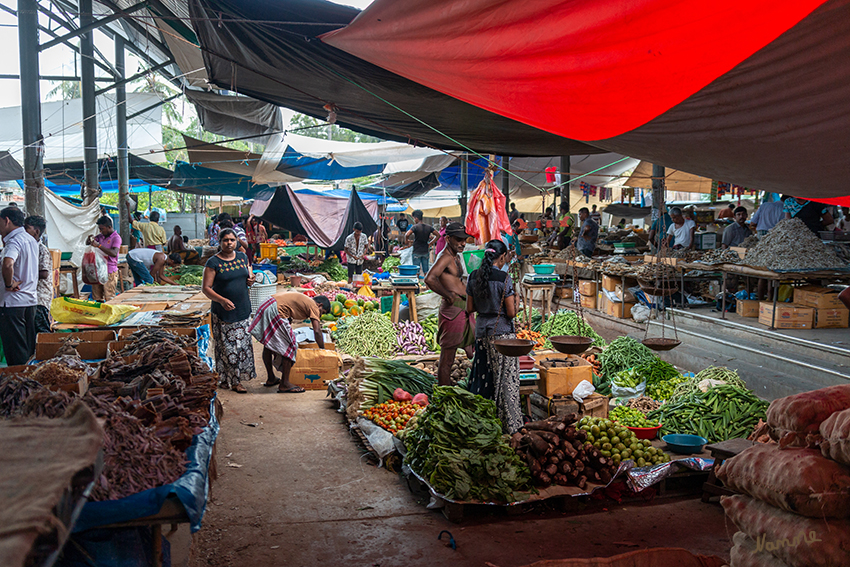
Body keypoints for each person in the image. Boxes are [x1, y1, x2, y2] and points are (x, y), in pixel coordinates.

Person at [466, 239, 521, 433]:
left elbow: (470, 308)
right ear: (503, 256)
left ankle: (484, 424)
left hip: (482, 332)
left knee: (486, 377)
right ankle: (511, 428)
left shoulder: (473, 276)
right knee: (507, 382)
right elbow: (512, 313)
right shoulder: (504, 278)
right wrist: (517, 301)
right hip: (503, 335)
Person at [202, 228, 256, 393]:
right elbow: (206, 288)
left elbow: (249, 275)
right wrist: (222, 300)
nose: (229, 243)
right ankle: (234, 381)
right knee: (228, 348)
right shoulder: (213, 263)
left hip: (243, 308)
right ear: (220, 242)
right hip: (224, 311)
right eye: (226, 240)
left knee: (242, 346)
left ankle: (229, 378)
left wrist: (251, 280)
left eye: (232, 240)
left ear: (237, 241)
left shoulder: (242, 257)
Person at [424, 222, 475, 386]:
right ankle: (443, 392)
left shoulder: (456, 256)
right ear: (447, 238)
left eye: (464, 239)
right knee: (447, 358)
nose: (463, 243)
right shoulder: (445, 257)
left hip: (462, 308)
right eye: (459, 239)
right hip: (452, 311)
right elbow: (429, 278)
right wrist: (448, 295)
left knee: (465, 350)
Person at [249, 292, 331, 393]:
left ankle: (271, 378)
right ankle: (285, 383)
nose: (319, 315)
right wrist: (322, 350)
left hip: (267, 304)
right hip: (275, 309)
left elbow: (289, 313)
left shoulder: (305, 301)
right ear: (320, 305)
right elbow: (317, 331)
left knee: (269, 345)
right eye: (321, 312)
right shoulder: (313, 305)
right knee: (290, 346)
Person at [0, 207, 38, 364]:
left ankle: (19, 384)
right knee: (28, 349)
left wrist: (9, 284)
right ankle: (29, 382)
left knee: (16, 352)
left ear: (7, 220)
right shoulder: (30, 240)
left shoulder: (14, 241)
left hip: (13, 303)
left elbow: (8, 264)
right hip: (30, 302)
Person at [23, 216, 53, 335]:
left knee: (41, 331)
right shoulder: (29, 247)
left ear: (36, 232)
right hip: (31, 297)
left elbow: (44, 273)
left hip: (40, 298)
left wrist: (24, 274)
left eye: (26, 228)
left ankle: (47, 352)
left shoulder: (41, 249)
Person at [86, 216, 122, 302]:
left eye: (102, 229)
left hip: (109, 271)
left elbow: (113, 253)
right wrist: (89, 239)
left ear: (109, 227)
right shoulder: (100, 236)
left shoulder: (116, 238)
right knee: (97, 297)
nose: (101, 231)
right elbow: (88, 244)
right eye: (100, 229)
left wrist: (99, 245)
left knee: (109, 297)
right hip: (98, 270)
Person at [405, 210, 435, 276]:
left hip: (417, 252)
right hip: (425, 251)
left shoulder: (415, 227)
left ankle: (417, 284)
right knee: (426, 270)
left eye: (414, 218)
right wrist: (430, 243)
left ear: (416, 218)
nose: (414, 220)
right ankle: (427, 285)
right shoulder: (428, 227)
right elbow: (438, 235)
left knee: (416, 270)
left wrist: (406, 241)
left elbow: (407, 234)